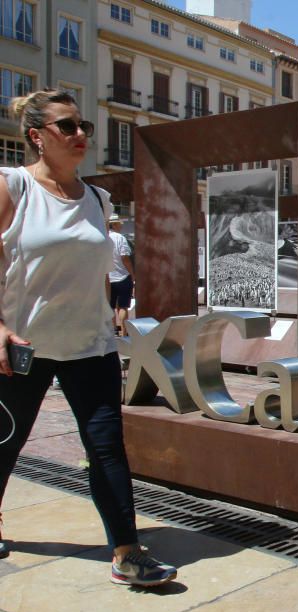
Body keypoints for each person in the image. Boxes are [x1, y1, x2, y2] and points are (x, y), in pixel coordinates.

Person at [0, 89, 176, 586]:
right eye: (67, 126)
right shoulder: (12, 186)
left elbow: (98, 273)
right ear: (37, 136)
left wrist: (111, 317)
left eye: (84, 127)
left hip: (91, 347)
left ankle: (127, 550)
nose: (81, 135)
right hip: (24, 350)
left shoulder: (98, 198)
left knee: (106, 447)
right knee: (5, 443)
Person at [107, 213, 134, 337]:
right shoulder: (120, 238)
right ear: (115, 224)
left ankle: (113, 331)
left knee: (110, 306)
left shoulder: (104, 237)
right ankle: (124, 331)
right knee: (123, 306)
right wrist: (132, 274)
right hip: (122, 276)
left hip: (108, 277)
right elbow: (125, 257)